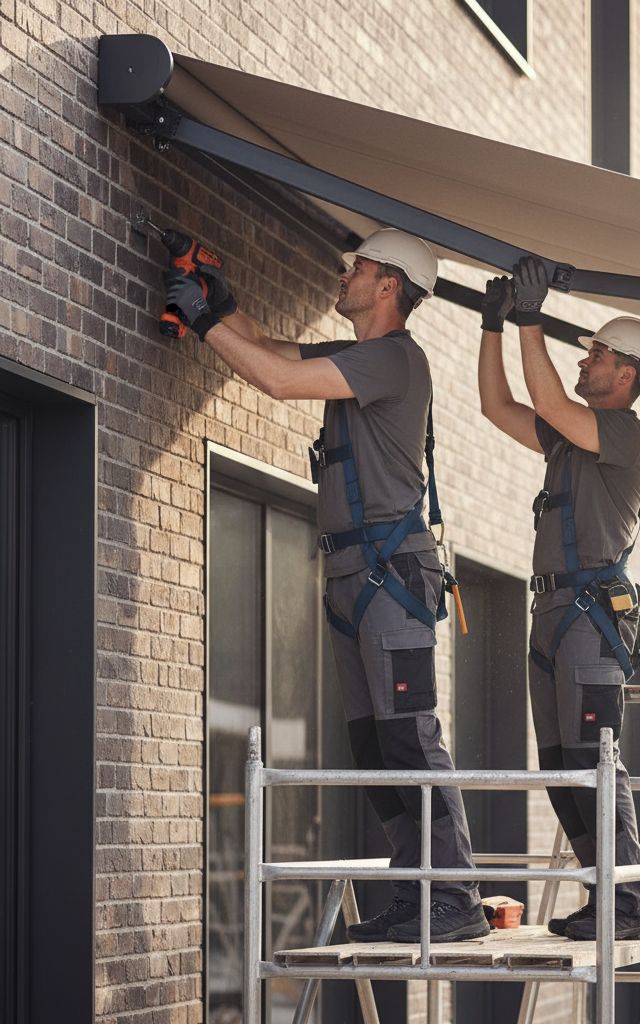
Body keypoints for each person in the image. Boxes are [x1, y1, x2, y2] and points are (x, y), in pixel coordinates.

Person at [165, 228, 488, 943]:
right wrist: (224, 302)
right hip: (353, 573)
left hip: (390, 575)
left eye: (360, 266)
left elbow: (276, 382)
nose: (345, 273)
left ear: (388, 287)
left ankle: (455, 896)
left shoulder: (394, 360)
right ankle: (416, 892)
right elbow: (278, 351)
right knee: (373, 746)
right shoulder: (359, 357)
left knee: (410, 737)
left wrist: (203, 318)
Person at [477, 256, 640, 941]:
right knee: (561, 771)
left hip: (588, 620)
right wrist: (492, 326)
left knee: (594, 763)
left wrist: (530, 318)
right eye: (588, 351)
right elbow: (498, 408)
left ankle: (628, 904)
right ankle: (605, 893)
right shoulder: (568, 442)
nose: (587, 359)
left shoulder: (624, 435)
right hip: (551, 616)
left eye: (598, 353)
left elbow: (551, 403)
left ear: (628, 376)